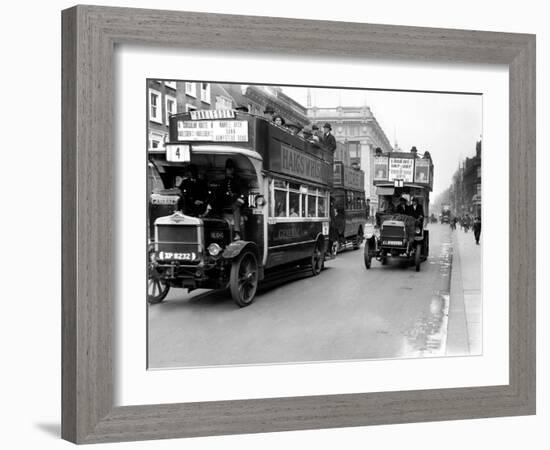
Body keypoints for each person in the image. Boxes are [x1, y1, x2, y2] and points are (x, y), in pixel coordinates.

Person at [214, 159, 246, 240]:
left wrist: (239, 201)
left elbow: (243, 192)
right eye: (228, 169)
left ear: (233, 169)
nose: (229, 170)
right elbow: (219, 193)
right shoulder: (224, 181)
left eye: (230, 169)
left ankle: (237, 232)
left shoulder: (239, 180)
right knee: (216, 204)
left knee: (236, 207)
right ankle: (217, 225)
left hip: (236, 203)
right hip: (226, 202)